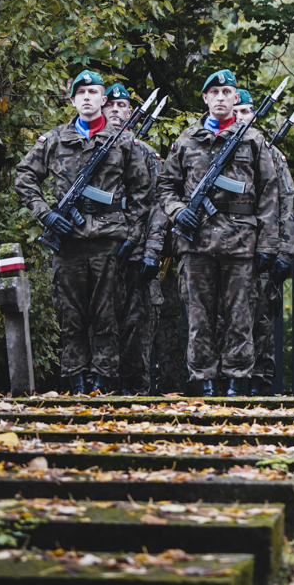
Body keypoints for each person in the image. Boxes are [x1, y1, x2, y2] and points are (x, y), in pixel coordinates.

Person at [16, 71, 152, 394]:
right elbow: (24, 177)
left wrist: (132, 236)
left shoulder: (123, 141)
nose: (88, 97)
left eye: (94, 92)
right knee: (70, 317)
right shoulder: (53, 140)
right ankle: (76, 380)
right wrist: (46, 214)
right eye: (82, 93)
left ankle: (104, 381)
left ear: (104, 100)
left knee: (108, 316)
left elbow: (142, 190)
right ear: (73, 100)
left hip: (109, 241)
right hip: (68, 242)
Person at [157, 69, 281, 397]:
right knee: (199, 316)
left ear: (235, 98)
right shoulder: (186, 141)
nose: (222, 98)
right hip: (195, 242)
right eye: (216, 92)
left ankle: (237, 379)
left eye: (228, 92)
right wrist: (178, 211)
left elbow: (270, 193)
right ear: (206, 98)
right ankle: (204, 380)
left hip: (241, 241)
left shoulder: (253, 140)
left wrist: (269, 243)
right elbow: (166, 186)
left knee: (240, 315)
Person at [102, 83, 165, 395]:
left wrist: (152, 250)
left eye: (122, 105)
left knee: (135, 325)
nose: (116, 110)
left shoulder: (146, 154)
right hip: (99, 247)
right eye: (110, 105)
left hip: (136, 253)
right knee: (99, 321)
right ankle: (101, 387)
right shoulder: (87, 150)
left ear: (131, 112)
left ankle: (135, 390)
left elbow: (159, 205)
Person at [237, 88, 294, 395]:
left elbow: (286, 203)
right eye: (235, 112)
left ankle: (260, 384)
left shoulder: (271, 154)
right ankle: (230, 382)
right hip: (225, 249)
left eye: (245, 112)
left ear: (254, 115)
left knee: (261, 320)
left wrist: (284, 250)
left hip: (264, 250)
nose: (240, 118)